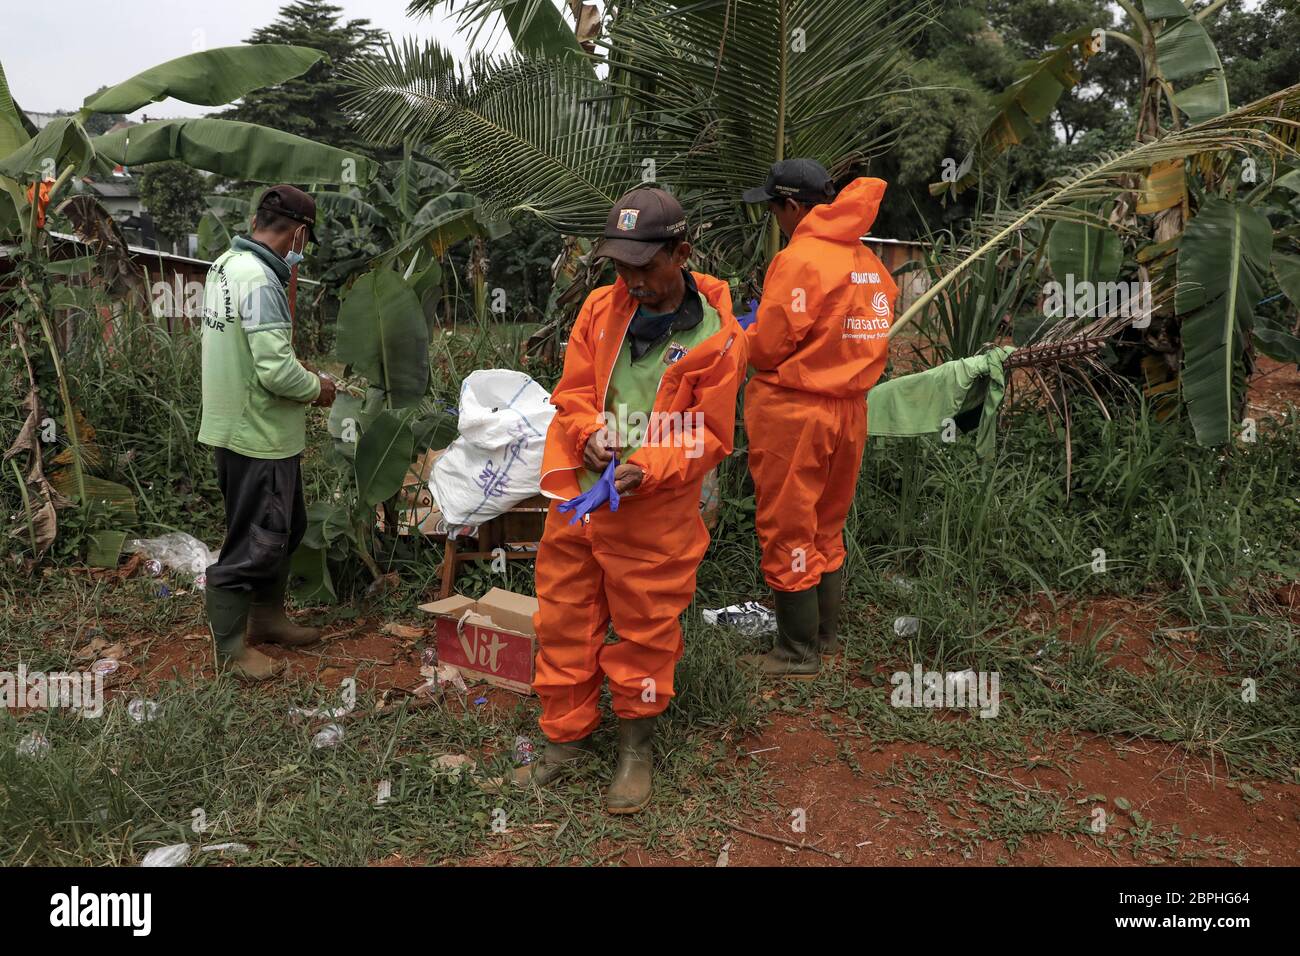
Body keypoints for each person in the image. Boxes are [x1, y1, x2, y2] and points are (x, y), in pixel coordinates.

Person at [517, 187, 747, 813]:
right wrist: (591, 435)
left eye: (644, 267)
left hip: (655, 508)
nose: (631, 281)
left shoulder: (718, 338)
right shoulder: (600, 308)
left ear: (682, 253)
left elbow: (709, 434)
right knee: (564, 614)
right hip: (583, 498)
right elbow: (572, 394)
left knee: (646, 628)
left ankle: (635, 748)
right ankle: (563, 740)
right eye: (620, 266)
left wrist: (647, 465)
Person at [737, 159, 897, 678]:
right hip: (850, 411)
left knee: (789, 527)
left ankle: (795, 651)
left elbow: (768, 347)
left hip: (796, 412)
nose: (775, 220)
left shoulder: (800, 258)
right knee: (827, 523)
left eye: (775, 209)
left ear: (792, 207)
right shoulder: (867, 261)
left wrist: (744, 335)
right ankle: (825, 635)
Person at [198, 185, 336, 682]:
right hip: (258, 431)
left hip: (233, 422)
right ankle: (231, 651)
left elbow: (246, 348)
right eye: (305, 239)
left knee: (285, 527)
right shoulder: (261, 280)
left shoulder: (224, 266)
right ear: (299, 231)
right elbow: (276, 373)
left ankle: (267, 617)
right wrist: (318, 388)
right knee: (256, 539)